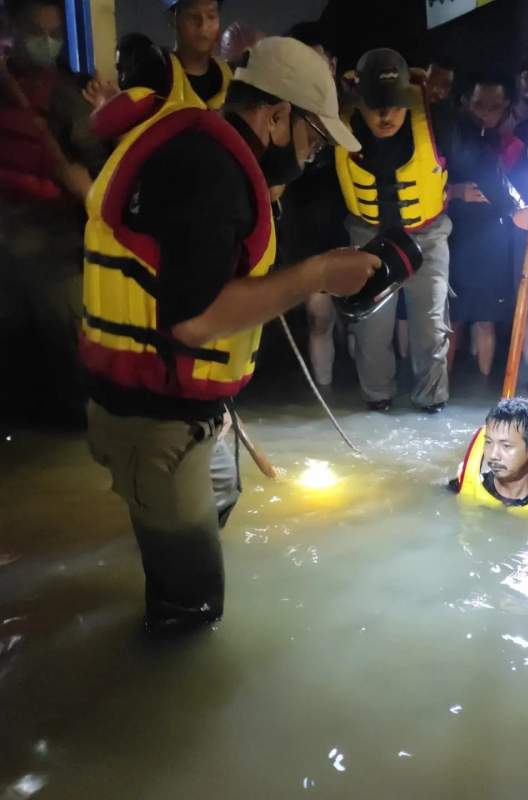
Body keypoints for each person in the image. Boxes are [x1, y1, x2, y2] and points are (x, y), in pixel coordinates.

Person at [82, 37, 378, 633]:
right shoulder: (209, 169)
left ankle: (163, 552)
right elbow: (194, 319)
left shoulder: (212, 153)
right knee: (189, 612)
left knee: (219, 498)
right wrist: (318, 275)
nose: (312, 156)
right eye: (314, 139)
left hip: (185, 405)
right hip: (154, 418)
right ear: (276, 116)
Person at [0, 0, 107, 424]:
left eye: (54, 34)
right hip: (8, 254)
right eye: (36, 31)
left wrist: (84, 184)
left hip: (57, 252)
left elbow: (99, 169)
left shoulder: (67, 96)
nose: (45, 42)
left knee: (72, 361)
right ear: (13, 29)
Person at [335, 48, 452, 412]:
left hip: (427, 234)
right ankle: (377, 402)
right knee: (371, 331)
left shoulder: (438, 120)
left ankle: (431, 404)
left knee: (431, 327)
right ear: (360, 101)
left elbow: (481, 159)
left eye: (395, 105)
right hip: (367, 235)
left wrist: (515, 206)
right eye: (376, 106)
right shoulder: (335, 123)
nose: (385, 115)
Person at [279, 20, 347, 387]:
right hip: (305, 227)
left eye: (316, 62)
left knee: (359, 322)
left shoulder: (353, 105)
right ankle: (326, 396)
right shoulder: (280, 112)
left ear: (332, 65)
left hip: (351, 224)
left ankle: (364, 397)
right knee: (319, 318)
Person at [447, 73, 528, 377]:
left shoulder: (500, 140)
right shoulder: (452, 135)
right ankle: (439, 391)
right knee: (451, 319)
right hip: (456, 237)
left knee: (486, 319)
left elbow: (501, 182)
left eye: (494, 107)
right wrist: (455, 192)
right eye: (479, 105)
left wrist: (517, 208)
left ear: (506, 106)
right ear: (466, 102)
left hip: (491, 241)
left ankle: (482, 387)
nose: (485, 113)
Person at [162, 0, 231, 109]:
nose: (203, 26)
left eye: (211, 16)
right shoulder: (157, 76)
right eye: (193, 16)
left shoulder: (230, 79)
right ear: (173, 19)